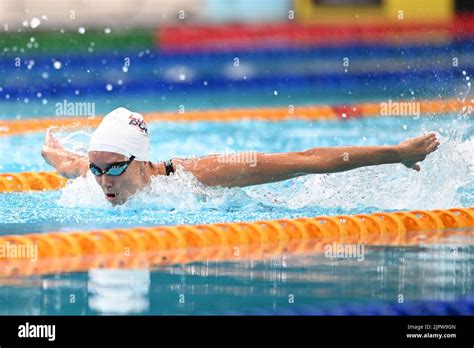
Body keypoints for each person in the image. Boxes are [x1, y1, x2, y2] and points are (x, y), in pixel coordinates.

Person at [41, 107, 440, 205]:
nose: (102, 179)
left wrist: (395, 153)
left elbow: (307, 158)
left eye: (112, 168)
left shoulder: (199, 176)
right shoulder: (93, 175)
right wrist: (52, 151)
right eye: (96, 169)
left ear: (142, 161)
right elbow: (69, 163)